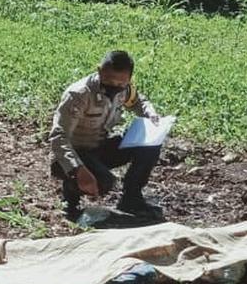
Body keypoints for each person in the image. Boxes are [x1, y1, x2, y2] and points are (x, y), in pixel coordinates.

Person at [48, 50, 165, 221]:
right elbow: (58, 137)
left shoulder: (124, 90)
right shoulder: (79, 94)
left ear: (129, 79)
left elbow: (139, 102)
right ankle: (70, 197)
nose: (114, 86)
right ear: (99, 71)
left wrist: (150, 113)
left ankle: (131, 198)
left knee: (149, 144)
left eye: (121, 83)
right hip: (71, 156)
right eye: (109, 81)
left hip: (98, 148)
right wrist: (78, 170)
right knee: (104, 181)